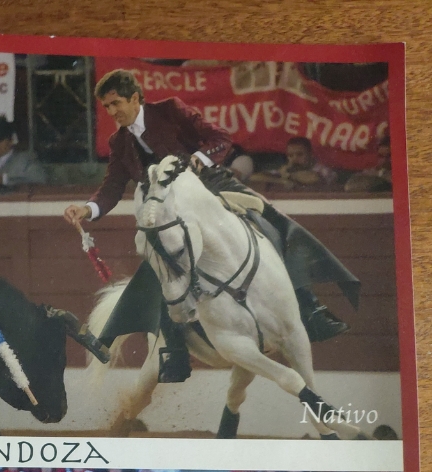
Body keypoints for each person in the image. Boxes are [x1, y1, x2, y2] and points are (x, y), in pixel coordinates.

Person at [63, 69, 357, 382]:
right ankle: (175, 353)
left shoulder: (170, 111)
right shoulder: (119, 142)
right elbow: (112, 186)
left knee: (271, 221)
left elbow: (220, 139)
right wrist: (87, 208)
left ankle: (310, 306)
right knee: (160, 269)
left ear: (135, 98)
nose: (112, 112)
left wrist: (201, 158)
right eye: (106, 107)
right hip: (166, 212)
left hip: (210, 188)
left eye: (116, 103)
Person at [250, 136, 338, 191]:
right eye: (290, 155)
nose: (294, 159)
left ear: (310, 154)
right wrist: (280, 180)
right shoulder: (287, 170)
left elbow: (314, 178)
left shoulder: (322, 169)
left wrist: (288, 176)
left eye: (299, 154)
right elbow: (254, 177)